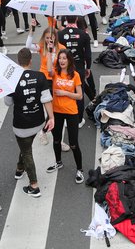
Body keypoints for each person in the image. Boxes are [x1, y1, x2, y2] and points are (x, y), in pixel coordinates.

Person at [5, 48, 54, 197]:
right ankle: (20, 169)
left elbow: (8, 103)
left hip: (21, 125)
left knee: (26, 151)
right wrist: (51, 118)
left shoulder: (12, 80)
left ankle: (34, 185)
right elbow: (46, 99)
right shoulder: (40, 76)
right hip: (38, 121)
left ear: (18, 62)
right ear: (31, 60)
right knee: (25, 146)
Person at [46, 49, 84, 184]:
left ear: (69, 60)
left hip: (71, 112)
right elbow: (48, 69)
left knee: (73, 144)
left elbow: (80, 96)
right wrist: (50, 52)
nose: (62, 61)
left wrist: (65, 93)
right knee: (56, 140)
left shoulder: (75, 75)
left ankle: (80, 169)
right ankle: (58, 162)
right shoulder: (55, 73)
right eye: (60, 58)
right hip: (56, 111)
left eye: (64, 58)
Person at [58, 15, 95, 119]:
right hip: (79, 67)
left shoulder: (60, 34)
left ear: (65, 19)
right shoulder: (84, 34)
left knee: (65, 91)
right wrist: (88, 68)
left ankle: (66, 115)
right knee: (79, 92)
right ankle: (79, 118)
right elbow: (88, 54)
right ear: (77, 19)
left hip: (64, 68)